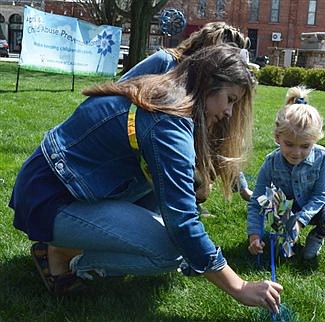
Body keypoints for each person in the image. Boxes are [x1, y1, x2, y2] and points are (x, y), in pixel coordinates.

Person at [9, 44, 282, 313]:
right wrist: (240, 286)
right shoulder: (169, 122)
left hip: (51, 184)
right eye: (230, 99)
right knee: (170, 250)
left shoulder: (163, 92)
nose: (229, 113)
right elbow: (183, 224)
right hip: (49, 200)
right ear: (209, 83)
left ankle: (68, 245)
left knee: (171, 227)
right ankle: (65, 254)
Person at [119, 21, 253, 205]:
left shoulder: (215, 95)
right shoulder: (165, 63)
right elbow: (118, 95)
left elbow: (225, 140)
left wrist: (242, 187)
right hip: (135, 154)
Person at [247, 86, 325, 260]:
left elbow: (322, 194)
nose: (296, 152)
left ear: (314, 140)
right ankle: (284, 235)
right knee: (270, 201)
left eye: (305, 146)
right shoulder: (271, 162)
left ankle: (317, 236)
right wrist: (254, 235)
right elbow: (256, 201)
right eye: (289, 144)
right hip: (285, 210)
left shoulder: (321, 156)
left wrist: (300, 221)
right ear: (278, 137)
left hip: (314, 208)